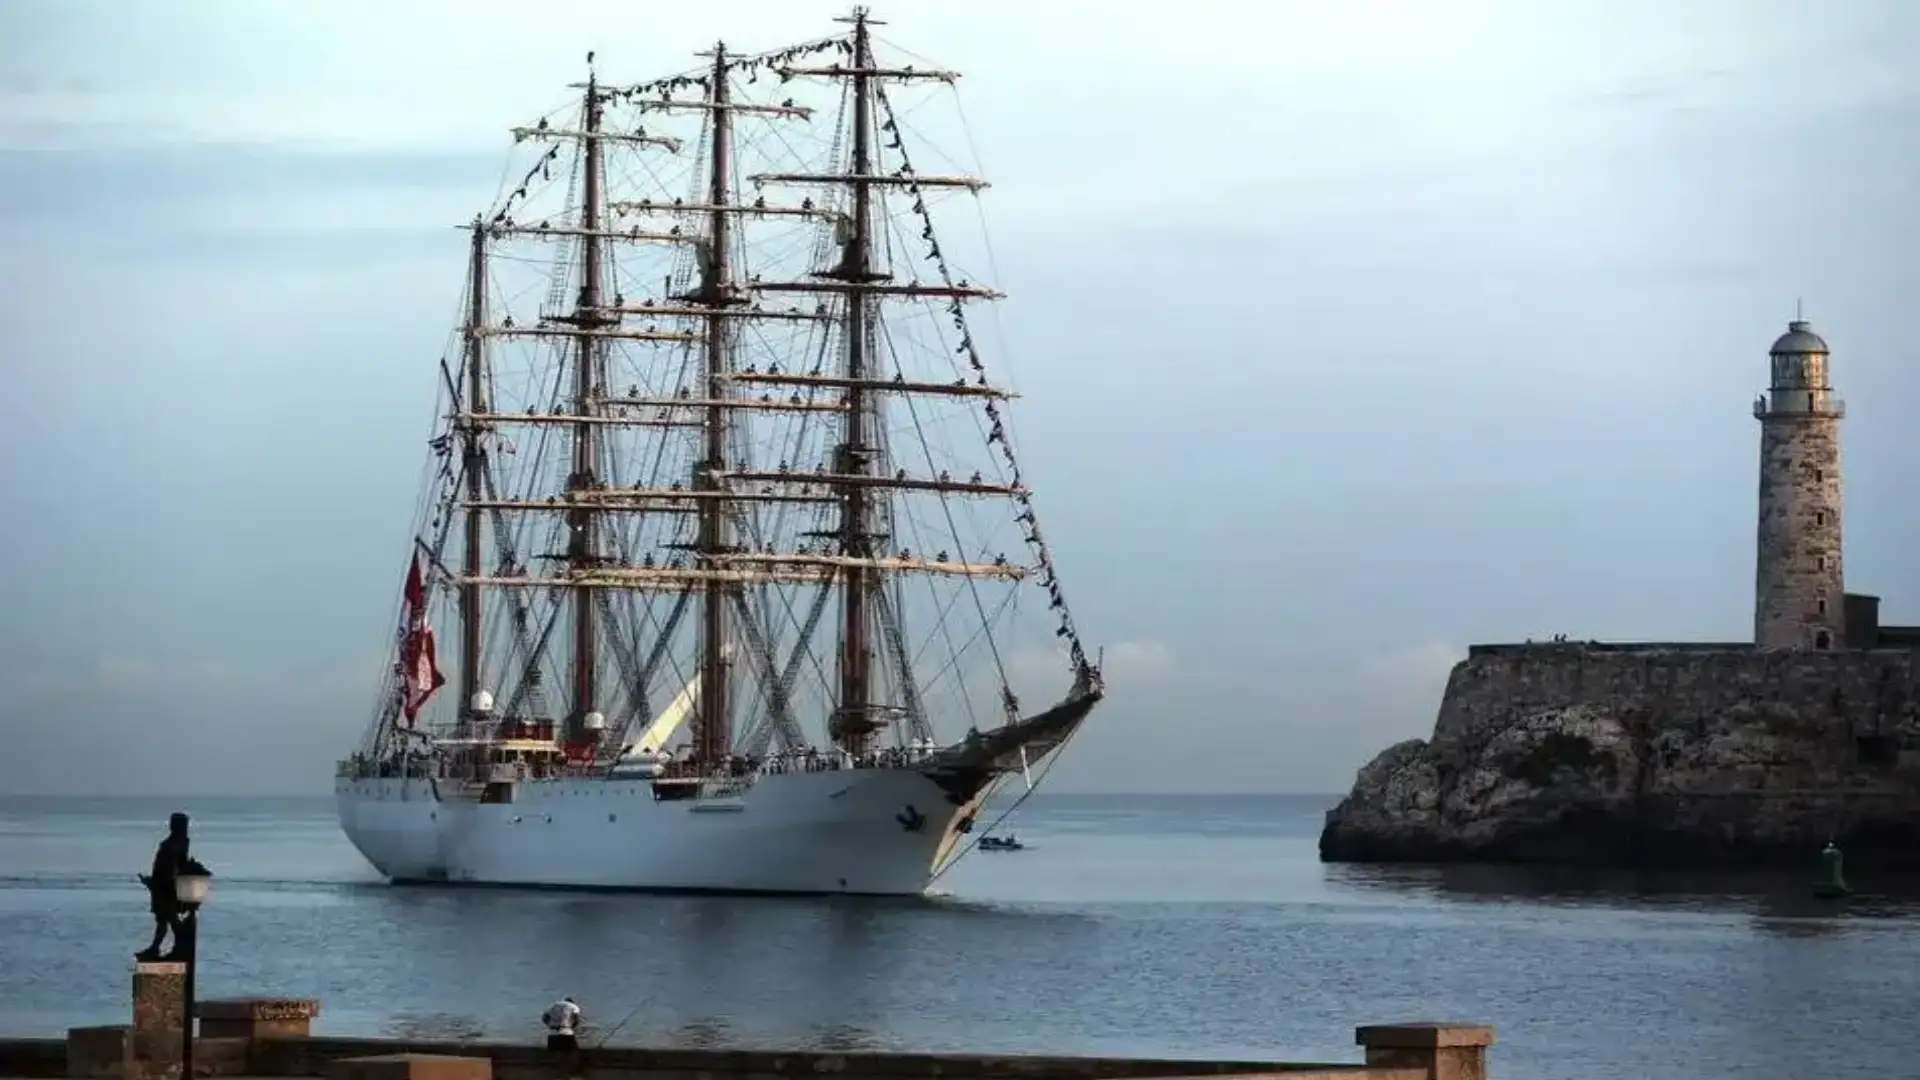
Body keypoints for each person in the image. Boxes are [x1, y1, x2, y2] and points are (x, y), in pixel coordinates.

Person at [136, 813, 193, 961]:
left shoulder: (175, 844)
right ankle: (157, 947)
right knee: (163, 919)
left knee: (168, 917)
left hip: (165, 886)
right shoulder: (179, 842)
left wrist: (159, 884)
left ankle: (173, 947)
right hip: (163, 884)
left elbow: (175, 866)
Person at [542, 996, 585, 1072]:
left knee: (556, 1053)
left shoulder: (554, 1005)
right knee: (572, 1051)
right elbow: (576, 1019)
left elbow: (544, 1017)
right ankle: (574, 1071)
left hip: (553, 1032)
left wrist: (549, 1025)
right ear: (572, 1002)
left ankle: (557, 1072)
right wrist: (572, 1027)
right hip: (566, 1031)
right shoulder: (573, 1006)